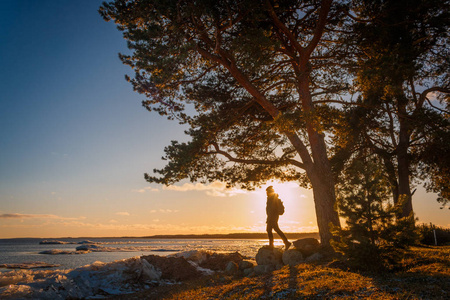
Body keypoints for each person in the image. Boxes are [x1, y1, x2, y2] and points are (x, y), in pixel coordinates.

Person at [265, 186, 291, 250]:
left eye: (267, 192)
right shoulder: (270, 199)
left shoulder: (273, 199)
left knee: (272, 229)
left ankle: (273, 245)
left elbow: (272, 209)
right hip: (271, 216)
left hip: (273, 216)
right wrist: (268, 217)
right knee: (272, 229)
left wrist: (270, 217)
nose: (266, 193)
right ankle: (285, 242)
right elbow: (269, 210)